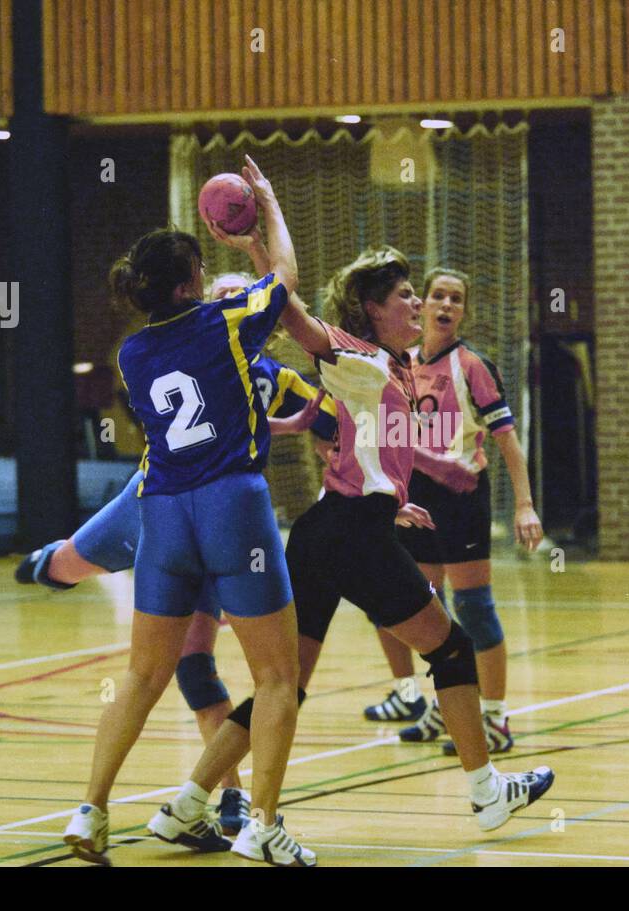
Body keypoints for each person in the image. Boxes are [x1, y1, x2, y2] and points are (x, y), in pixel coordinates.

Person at [149, 244, 554, 840]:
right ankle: (487, 793)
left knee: (283, 685)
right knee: (451, 651)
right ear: (373, 308)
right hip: (349, 535)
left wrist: (392, 496)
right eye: (404, 296)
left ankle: (183, 805)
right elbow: (291, 311)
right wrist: (262, 239)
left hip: (331, 529)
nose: (417, 301)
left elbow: (364, 445)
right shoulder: (356, 356)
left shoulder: (394, 365)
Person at [62, 156, 317, 867]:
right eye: (201, 271)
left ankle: (90, 810)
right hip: (231, 502)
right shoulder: (225, 323)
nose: (209, 280)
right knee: (277, 677)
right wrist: (265, 207)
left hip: (163, 513)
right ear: (186, 283)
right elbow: (288, 280)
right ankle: (262, 825)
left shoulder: (133, 353)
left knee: (143, 676)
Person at [16, 272, 335, 836]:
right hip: (184, 505)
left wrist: (302, 426)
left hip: (177, 509)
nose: (227, 298)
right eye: (219, 291)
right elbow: (318, 414)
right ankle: (51, 566)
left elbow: (327, 420)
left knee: (185, 667)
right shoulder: (222, 347)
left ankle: (214, 800)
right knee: (70, 563)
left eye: (237, 294)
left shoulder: (249, 364)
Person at [365, 268, 544, 757]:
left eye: (456, 299)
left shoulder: (472, 365)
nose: (446, 305)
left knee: (475, 610)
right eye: (438, 295)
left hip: (461, 499)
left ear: (464, 311)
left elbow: (507, 440)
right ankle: (444, 708)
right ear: (421, 305)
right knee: (425, 610)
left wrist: (525, 505)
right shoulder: (400, 364)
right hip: (414, 501)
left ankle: (494, 720)